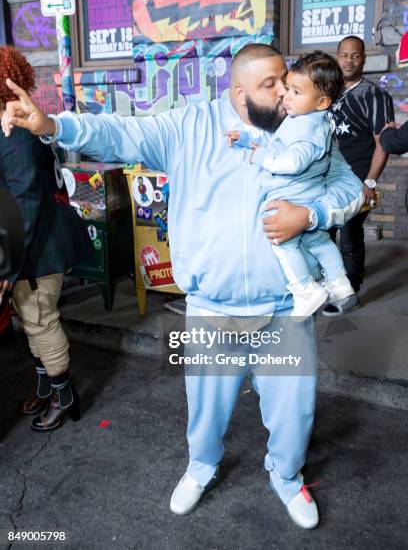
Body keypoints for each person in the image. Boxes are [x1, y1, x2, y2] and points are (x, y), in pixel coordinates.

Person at [2, 44, 363, 529]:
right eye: (270, 85)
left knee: (293, 410)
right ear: (238, 92)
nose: (284, 93)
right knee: (206, 411)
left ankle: (287, 475)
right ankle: (201, 468)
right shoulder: (186, 128)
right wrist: (51, 126)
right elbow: (118, 131)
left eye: (286, 81)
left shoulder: (306, 131)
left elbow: (350, 189)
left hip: (285, 307)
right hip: (212, 308)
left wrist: (312, 214)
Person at [0, 46, 91, 432]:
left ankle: (64, 395)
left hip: (37, 245)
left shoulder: (15, 130)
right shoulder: (19, 122)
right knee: (30, 318)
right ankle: (46, 386)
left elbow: (23, 201)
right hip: (35, 241)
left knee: (40, 320)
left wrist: (6, 262)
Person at [226, 52, 355, 318]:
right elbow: (277, 140)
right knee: (320, 242)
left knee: (282, 242)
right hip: (307, 195)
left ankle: (305, 289)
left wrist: (260, 157)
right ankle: (341, 286)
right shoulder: (304, 118)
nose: (286, 95)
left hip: (293, 197)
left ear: (322, 102)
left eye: (295, 91)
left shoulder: (308, 128)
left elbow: (291, 162)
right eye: (288, 87)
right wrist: (246, 138)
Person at [324, 36, 394, 316]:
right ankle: (329, 283)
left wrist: (370, 181)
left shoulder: (374, 95)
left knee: (350, 234)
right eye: (344, 55)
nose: (349, 60)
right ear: (337, 57)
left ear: (364, 59)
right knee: (323, 233)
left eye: (355, 56)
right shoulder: (327, 92)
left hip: (357, 178)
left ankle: (348, 292)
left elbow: (384, 143)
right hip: (327, 178)